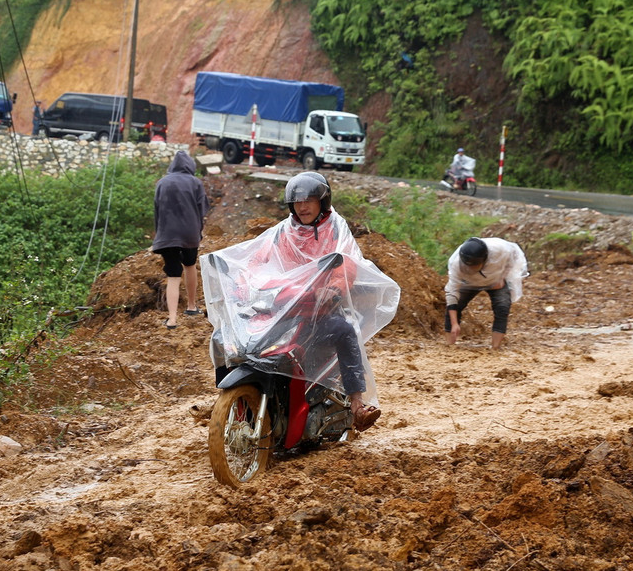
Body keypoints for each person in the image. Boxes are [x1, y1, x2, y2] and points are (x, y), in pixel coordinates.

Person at [202, 172, 400, 431]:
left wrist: (334, 288)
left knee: (344, 330)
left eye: (309, 200)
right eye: (297, 202)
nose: (302, 207)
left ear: (323, 201)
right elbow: (257, 259)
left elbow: (346, 262)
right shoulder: (284, 231)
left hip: (319, 308)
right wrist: (240, 284)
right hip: (282, 306)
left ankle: (357, 405)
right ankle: (225, 399)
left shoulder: (335, 229)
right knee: (224, 339)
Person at [152, 150, 210, 329]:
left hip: (167, 234)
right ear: (190, 166)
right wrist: (198, 229)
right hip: (189, 233)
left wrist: (158, 234)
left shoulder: (161, 183)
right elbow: (203, 208)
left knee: (173, 275)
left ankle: (172, 319)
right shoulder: (195, 183)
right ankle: (192, 307)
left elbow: (157, 211)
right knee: (190, 265)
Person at [444, 236, 528, 349]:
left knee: (502, 306)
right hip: (469, 283)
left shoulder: (500, 249)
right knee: (455, 306)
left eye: (474, 266)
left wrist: (503, 277)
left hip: (495, 280)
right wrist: (455, 324)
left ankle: (495, 348)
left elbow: (515, 256)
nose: (471, 268)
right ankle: (450, 346)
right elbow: (452, 293)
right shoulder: (455, 263)